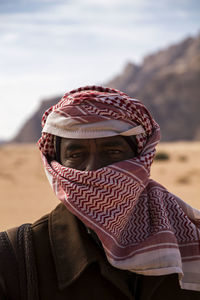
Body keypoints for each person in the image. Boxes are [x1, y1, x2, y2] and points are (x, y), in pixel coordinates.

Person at [0, 85, 200, 299]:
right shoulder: (14, 259)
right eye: (76, 155)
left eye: (112, 151)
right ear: (55, 165)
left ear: (142, 159)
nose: (92, 169)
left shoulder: (192, 241)